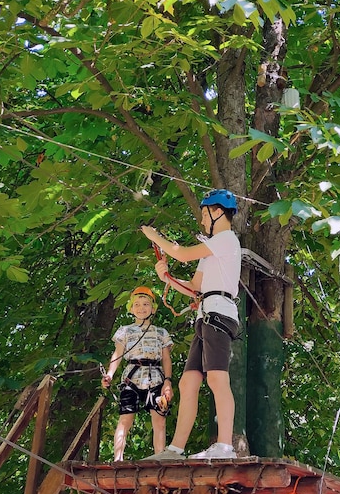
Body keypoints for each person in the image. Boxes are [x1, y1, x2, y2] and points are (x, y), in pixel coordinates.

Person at [141, 188, 241, 460]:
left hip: (219, 313)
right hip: (206, 314)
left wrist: (155, 237)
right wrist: (168, 279)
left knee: (218, 378)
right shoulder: (212, 251)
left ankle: (225, 447)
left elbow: (182, 254)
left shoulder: (226, 239)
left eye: (203, 214)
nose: (201, 221)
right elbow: (196, 287)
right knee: (187, 383)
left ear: (217, 212)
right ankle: (175, 449)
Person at [101, 286, 173, 461]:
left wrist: (168, 382)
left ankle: (159, 458)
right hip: (131, 377)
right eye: (137, 304)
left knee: (159, 420)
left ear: (153, 308)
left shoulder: (161, 333)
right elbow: (117, 354)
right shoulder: (124, 331)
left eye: (146, 304)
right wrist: (110, 373)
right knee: (125, 418)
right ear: (131, 308)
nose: (142, 308)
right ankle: (118, 458)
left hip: (155, 377)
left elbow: (166, 358)